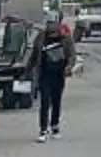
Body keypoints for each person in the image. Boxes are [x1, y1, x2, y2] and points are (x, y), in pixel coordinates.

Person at [30, 13, 74, 141]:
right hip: (44, 74)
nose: (50, 26)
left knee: (56, 101)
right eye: (48, 23)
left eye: (52, 23)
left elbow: (72, 55)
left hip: (59, 75)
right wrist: (27, 71)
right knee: (44, 102)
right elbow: (34, 55)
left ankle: (54, 125)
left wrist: (68, 68)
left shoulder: (65, 38)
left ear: (58, 23)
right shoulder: (41, 37)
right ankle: (43, 129)